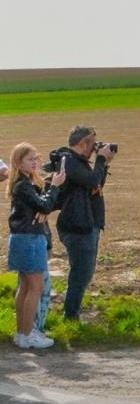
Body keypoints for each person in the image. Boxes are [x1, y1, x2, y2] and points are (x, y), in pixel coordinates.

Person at [53, 125, 114, 321]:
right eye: (93, 144)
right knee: (80, 274)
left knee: (85, 274)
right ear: (82, 143)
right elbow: (91, 180)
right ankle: (70, 317)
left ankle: (71, 314)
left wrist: (103, 165)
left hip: (86, 224)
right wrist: (101, 159)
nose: (95, 148)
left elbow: (96, 184)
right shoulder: (69, 161)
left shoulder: (78, 162)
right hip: (78, 227)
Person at [8, 143, 64, 348]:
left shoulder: (23, 183)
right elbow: (44, 205)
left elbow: (43, 205)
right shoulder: (23, 185)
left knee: (25, 287)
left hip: (22, 238)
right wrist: (56, 185)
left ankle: (22, 333)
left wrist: (45, 204)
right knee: (36, 287)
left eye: (36, 158)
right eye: (30, 159)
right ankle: (27, 333)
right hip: (30, 239)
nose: (35, 162)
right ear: (18, 162)